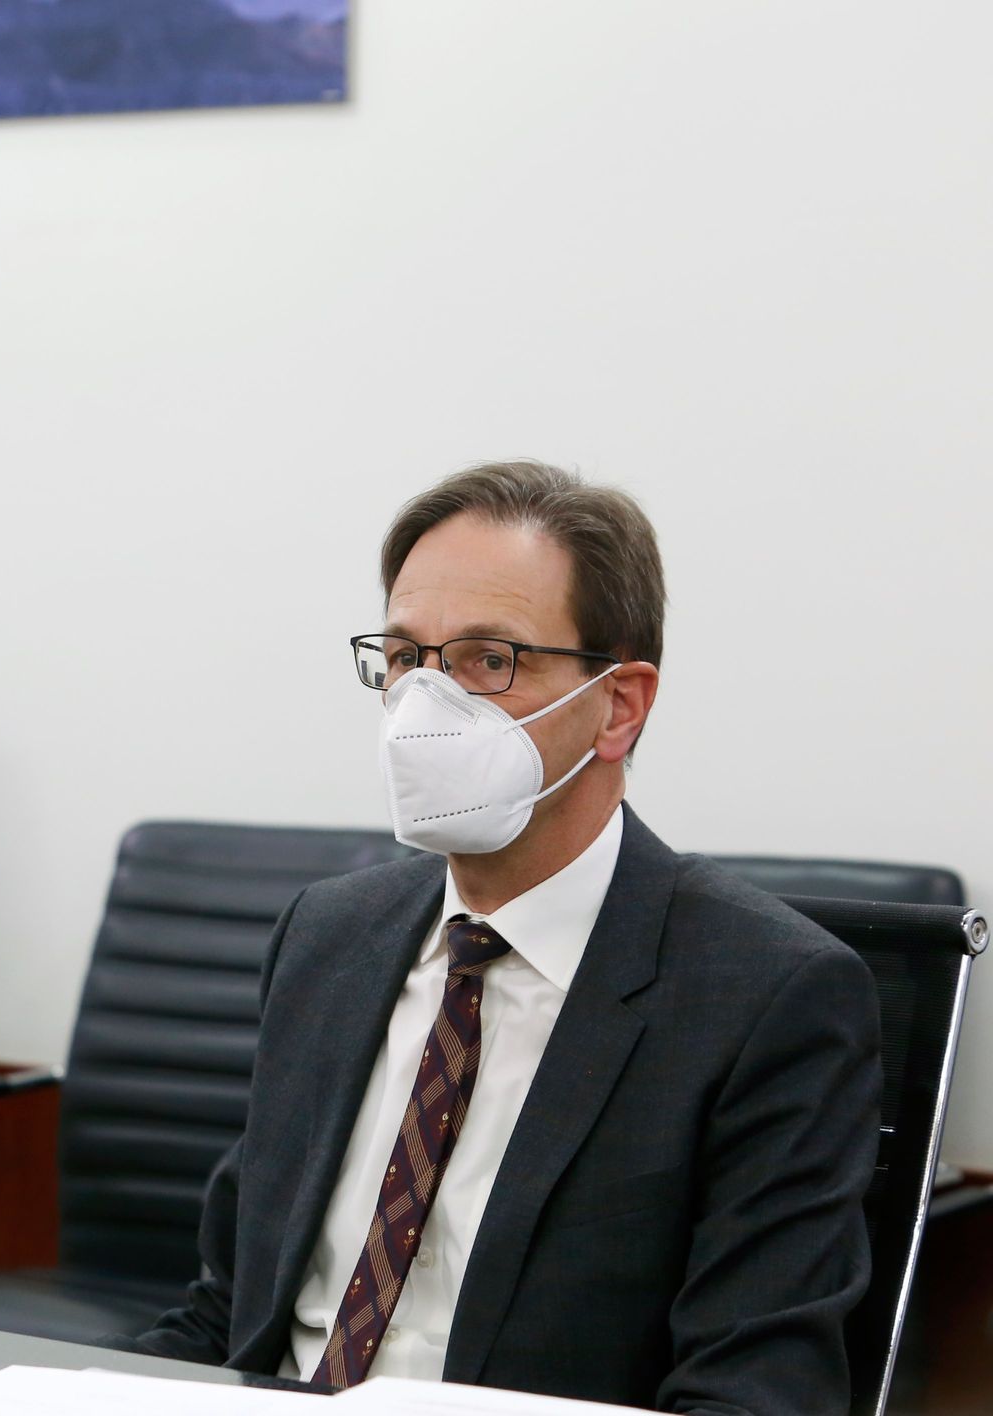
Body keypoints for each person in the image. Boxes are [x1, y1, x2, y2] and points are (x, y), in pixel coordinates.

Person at [136, 461, 881, 1415]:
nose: (423, 704)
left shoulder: (769, 997)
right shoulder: (328, 936)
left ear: (619, 705)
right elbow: (226, 1314)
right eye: (405, 659)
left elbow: (753, 1392)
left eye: (489, 661)